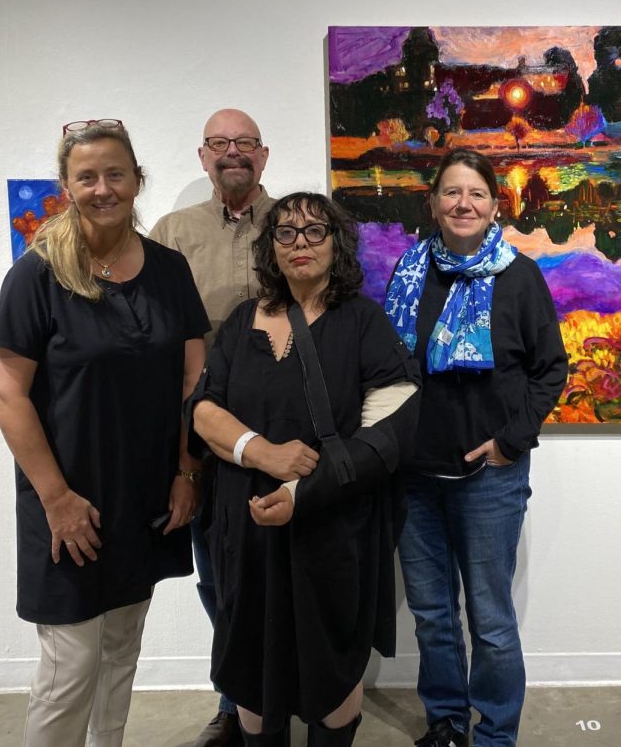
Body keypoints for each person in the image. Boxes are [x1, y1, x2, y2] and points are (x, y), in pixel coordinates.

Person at [0, 120, 209, 746]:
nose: (103, 188)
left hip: (146, 497)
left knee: (118, 656)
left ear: (138, 180)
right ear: (66, 186)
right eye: (87, 177)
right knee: (69, 669)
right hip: (69, 502)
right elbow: (5, 394)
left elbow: (195, 376)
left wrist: (187, 471)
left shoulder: (168, 269)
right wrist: (57, 500)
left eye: (116, 174)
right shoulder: (36, 275)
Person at [191, 192, 421, 747]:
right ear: (271, 247)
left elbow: (392, 427)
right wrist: (261, 451)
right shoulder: (244, 319)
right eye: (286, 233)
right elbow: (203, 409)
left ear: (336, 243)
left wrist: (304, 491)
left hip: (333, 525)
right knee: (250, 653)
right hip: (246, 526)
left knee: (332, 653)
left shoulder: (362, 321)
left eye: (315, 232)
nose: (301, 244)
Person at [383, 149, 568, 747]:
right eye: (452, 192)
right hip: (415, 474)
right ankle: (446, 721)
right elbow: (387, 368)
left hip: (490, 478)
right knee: (433, 617)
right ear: (433, 203)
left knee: (490, 620)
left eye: (477, 194)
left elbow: (550, 370)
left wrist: (512, 443)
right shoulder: (410, 273)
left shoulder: (519, 277)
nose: (464, 204)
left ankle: (494, 734)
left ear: (494, 206)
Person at [149, 108, 275, 747]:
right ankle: (234, 703)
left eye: (244, 143)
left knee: (281, 571)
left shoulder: (292, 225)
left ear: (264, 154)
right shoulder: (172, 233)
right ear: (203, 157)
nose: (233, 153)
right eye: (220, 144)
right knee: (218, 578)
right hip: (201, 434)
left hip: (280, 434)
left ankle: (285, 693)